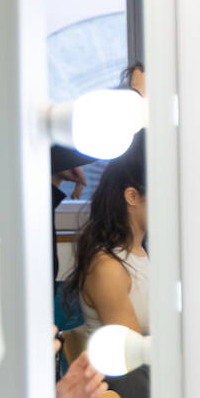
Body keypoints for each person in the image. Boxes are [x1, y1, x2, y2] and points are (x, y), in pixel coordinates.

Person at [64, 134, 149, 348]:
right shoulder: (108, 268)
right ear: (132, 197)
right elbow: (134, 365)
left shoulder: (141, 254)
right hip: (134, 379)